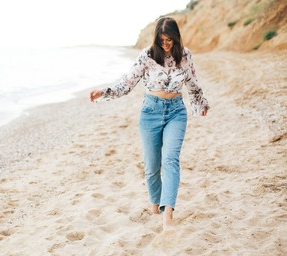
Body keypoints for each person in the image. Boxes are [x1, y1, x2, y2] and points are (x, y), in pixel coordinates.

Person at [89, 17, 210, 231]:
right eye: (162, 39)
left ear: (176, 37)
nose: (166, 43)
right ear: (156, 38)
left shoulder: (185, 55)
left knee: (170, 160)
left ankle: (167, 217)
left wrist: (200, 103)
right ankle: (155, 208)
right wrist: (104, 92)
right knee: (152, 167)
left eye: (169, 39)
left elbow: (192, 82)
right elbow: (127, 82)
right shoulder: (147, 55)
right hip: (150, 111)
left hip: (176, 111)